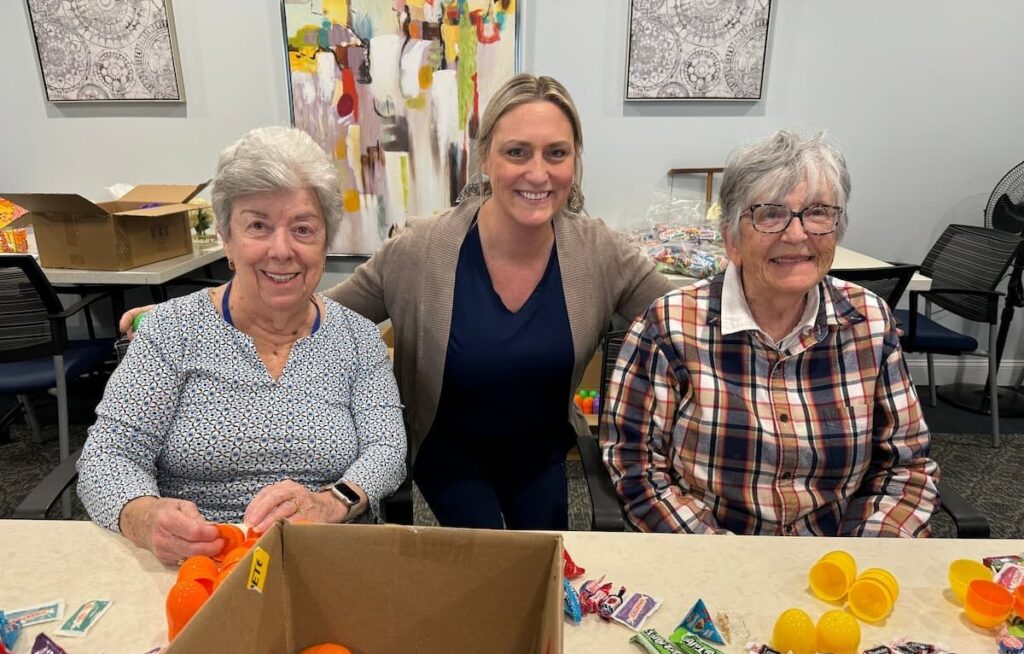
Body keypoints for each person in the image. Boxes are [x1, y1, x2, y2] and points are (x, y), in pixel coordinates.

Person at [121, 74, 673, 530]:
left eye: (557, 153)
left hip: (542, 454)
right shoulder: (421, 249)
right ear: (485, 158)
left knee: (545, 568)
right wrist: (181, 316)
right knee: (483, 571)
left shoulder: (600, 252)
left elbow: (690, 315)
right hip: (448, 451)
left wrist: (758, 277)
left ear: (575, 160)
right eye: (516, 152)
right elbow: (310, 302)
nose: (537, 172)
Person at [80, 127, 407, 564]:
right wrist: (144, 515)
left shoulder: (358, 338)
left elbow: (387, 448)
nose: (281, 249)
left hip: (329, 555)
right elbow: (107, 456)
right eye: (258, 225)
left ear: (326, 241)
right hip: (198, 563)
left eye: (303, 229)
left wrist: (334, 500)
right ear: (226, 239)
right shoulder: (171, 331)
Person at [602, 130, 939, 537]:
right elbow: (634, 462)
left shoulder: (870, 323)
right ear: (732, 239)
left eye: (818, 212)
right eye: (769, 214)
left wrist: (861, 558)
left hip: (838, 566)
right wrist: (722, 559)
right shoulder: (669, 327)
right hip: (710, 562)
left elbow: (906, 465)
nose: (796, 235)